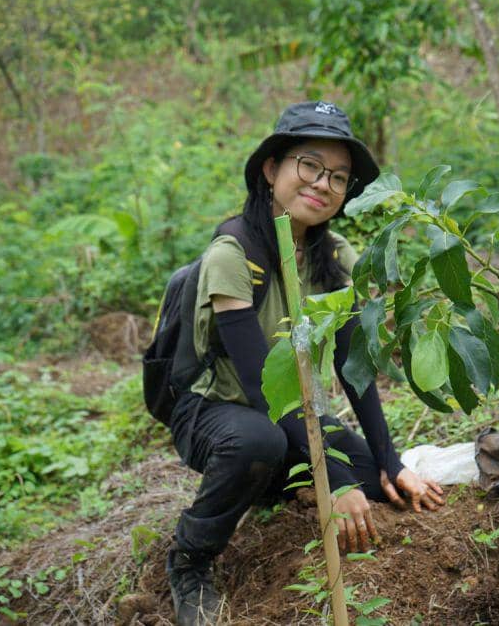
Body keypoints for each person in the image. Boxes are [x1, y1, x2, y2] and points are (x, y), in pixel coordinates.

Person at [166, 101, 444, 626]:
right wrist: (331, 479)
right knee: (259, 442)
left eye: (338, 176)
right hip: (215, 411)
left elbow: (353, 369)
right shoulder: (233, 254)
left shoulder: (335, 256)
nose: (323, 184)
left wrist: (389, 461)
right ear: (272, 169)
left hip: (294, 414)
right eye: (310, 165)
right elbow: (260, 387)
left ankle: (279, 486)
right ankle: (190, 559)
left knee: (369, 477)